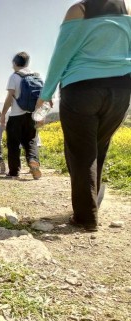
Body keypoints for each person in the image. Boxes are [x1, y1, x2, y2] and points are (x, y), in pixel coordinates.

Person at [37, 0, 131, 231]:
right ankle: (92, 204)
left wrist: (46, 93)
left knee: (81, 154)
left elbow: (63, 54)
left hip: (81, 88)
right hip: (121, 89)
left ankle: (86, 217)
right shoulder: (128, 9)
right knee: (99, 148)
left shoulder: (79, 10)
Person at [0, 52, 42, 180]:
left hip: (16, 116)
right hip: (31, 115)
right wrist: (41, 114)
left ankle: (14, 171)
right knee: (31, 141)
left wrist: (3, 114)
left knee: (13, 143)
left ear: (14, 63)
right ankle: (33, 161)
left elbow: (9, 98)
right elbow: (42, 97)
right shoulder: (36, 76)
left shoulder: (14, 77)